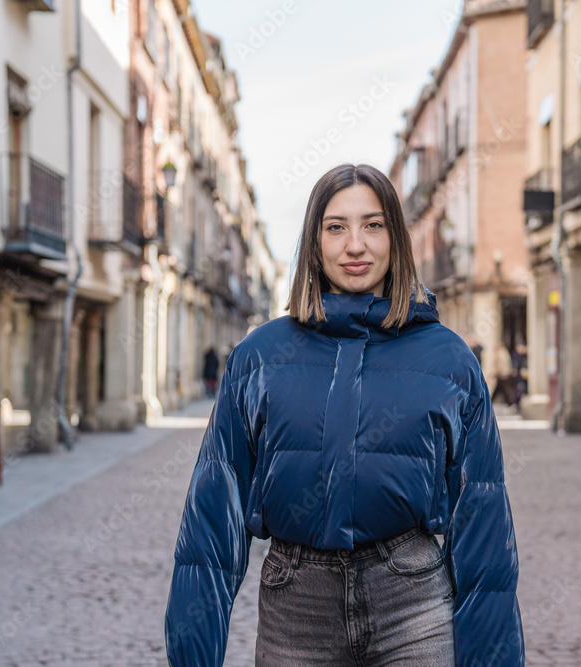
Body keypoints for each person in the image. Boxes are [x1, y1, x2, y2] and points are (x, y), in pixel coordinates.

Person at [165, 164, 524, 666]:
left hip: (413, 603)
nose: (355, 244)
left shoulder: (450, 360)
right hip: (296, 608)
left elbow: (482, 520)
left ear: (396, 239)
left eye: (373, 225)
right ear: (314, 243)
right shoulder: (260, 357)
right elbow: (212, 518)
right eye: (336, 227)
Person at [490, 341, 516, 408]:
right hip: (504, 374)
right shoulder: (504, 352)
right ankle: (509, 403)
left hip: (502, 374)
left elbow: (500, 365)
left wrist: (496, 372)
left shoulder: (500, 354)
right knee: (500, 389)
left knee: (502, 390)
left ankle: (490, 402)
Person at [512, 341, 528, 407]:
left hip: (523, 377)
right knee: (519, 390)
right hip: (518, 377)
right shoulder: (515, 356)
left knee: (520, 390)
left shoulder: (525, 356)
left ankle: (516, 404)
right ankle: (515, 404)